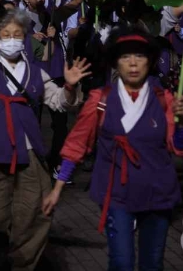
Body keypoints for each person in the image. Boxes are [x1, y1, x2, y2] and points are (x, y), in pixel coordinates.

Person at [44, 26, 183, 270]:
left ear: (150, 61)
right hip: (116, 193)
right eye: (125, 56)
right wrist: (57, 189)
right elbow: (78, 142)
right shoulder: (101, 99)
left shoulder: (164, 99)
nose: (133, 63)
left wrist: (181, 123)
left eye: (139, 56)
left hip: (158, 192)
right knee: (121, 262)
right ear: (115, 62)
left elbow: (177, 147)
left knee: (153, 263)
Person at [0, 9, 90, 271]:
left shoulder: (36, 73)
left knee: (34, 212)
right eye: (6, 34)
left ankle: (23, 262)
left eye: (17, 34)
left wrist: (70, 87)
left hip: (29, 152)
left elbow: (59, 102)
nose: (12, 40)